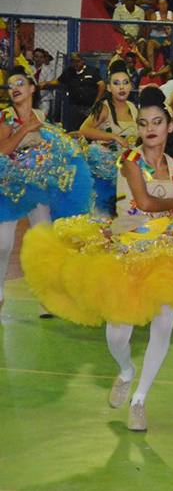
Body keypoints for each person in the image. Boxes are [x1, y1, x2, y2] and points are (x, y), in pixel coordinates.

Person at [23, 86, 173, 431]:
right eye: (144, 123)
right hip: (127, 248)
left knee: (164, 325)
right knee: (118, 335)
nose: (150, 129)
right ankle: (126, 370)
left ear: (169, 125)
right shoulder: (129, 161)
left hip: (166, 251)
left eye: (157, 122)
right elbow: (145, 203)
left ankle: (140, 400)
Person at [0, 69, 93, 314]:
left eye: (20, 83)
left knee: (45, 239)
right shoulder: (6, 117)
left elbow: (52, 149)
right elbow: (2, 150)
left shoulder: (41, 116)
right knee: (3, 244)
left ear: (32, 88)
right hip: (9, 187)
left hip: (38, 186)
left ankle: (46, 297)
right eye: (11, 85)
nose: (15, 88)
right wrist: (24, 130)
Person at [77, 65, 139, 214]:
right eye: (116, 83)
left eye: (125, 83)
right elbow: (83, 130)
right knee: (103, 216)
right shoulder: (104, 108)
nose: (121, 87)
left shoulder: (133, 107)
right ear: (109, 88)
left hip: (126, 170)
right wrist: (113, 136)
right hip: (104, 172)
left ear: (131, 86)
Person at [49, 52, 105, 132]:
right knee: (76, 129)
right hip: (76, 107)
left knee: (91, 128)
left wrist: (97, 102)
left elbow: (101, 85)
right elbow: (58, 81)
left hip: (91, 106)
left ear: (82, 61)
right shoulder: (69, 72)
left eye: (77, 61)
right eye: (73, 61)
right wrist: (45, 83)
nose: (75, 64)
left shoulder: (92, 71)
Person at [146, 0, 173, 69]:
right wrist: (165, 24)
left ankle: (170, 67)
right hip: (156, 39)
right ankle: (152, 69)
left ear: (167, 4)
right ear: (158, 6)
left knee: (170, 40)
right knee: (150, 43)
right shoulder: (154, 15)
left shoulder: (172, 15)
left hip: (168, 38)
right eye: (161, 4)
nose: (163, 5)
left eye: (164, 3)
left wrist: (161, 24)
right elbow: (154, 25)